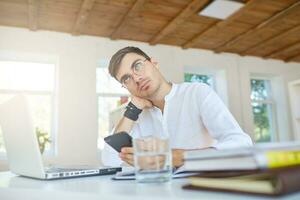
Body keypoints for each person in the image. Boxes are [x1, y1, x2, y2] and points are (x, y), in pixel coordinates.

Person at [101, 46, 253, 167]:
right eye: (126, 78)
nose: (137, 78)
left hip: (204, 187)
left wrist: (175, 157)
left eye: (138, 66)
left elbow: (241, 144)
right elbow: (109, 160)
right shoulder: (137, 115)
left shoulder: (197, 93)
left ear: (154, 63)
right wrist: (132, 109)